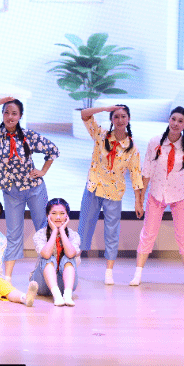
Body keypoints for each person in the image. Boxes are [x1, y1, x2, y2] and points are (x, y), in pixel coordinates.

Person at [0, 97, 59, 280]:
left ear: (20, 116)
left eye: (14, 113)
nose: (10, 117)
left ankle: (46, 271)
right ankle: (8, 278)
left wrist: (43, 171)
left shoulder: (28, 135)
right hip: (12, 192)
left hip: (35, 189)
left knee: (44, 229)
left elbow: (53, 150)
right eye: (6, 112)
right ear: (2, 114)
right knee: (13, 234)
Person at [132, 106, 184, 288]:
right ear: (169, 120)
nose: (176, 123)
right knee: (148, 234)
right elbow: (146, 171)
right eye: (173, 119)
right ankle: (137, 275)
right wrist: (139, 199)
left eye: (180, 121)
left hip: (180, 196)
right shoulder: (155, 142)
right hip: (156, 194)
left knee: (183, 235)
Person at [75, 105, 144, 286]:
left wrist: (138, 201)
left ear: (128, 119)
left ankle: (109, 271)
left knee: (112, 232)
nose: (120, 120)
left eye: (123, 116)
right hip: (94, 186)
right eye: (116, 116)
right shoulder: (101, 134)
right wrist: (106, 108)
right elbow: (84, 115)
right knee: (84, 226)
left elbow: (136, 176)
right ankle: (74, 262)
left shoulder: (132, 148)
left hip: (114, 192)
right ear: (111, 119)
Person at [31, 198, 82, 306]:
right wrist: (54, 231)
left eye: (62, 213)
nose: (58, 217)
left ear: (67, 216)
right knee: (48, 258)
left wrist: (62, 230)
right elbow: (46, 254)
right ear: (47, 216)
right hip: (42, 284)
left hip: (65, 285)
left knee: (68, 257)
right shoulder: (40, 234)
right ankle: (57, 296)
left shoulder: (74, 235)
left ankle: (67, 296)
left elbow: (71, 254)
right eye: (54, 213)